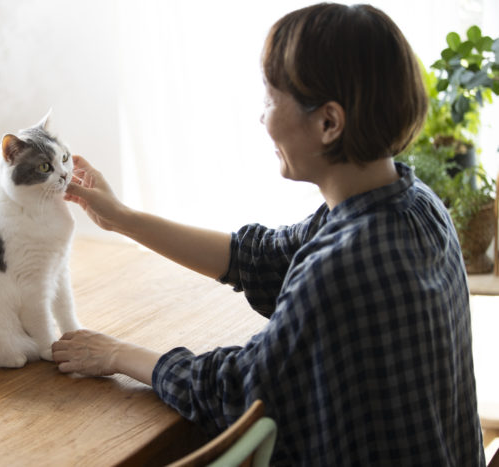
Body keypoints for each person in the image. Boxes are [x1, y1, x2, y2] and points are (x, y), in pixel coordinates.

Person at [51, 3, 485, 465]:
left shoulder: (339, 267)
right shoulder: (414, 203)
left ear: (328, 123)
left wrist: (116, 353)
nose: (262, 119)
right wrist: (122, 218)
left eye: (270, 100)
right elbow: (260, 257)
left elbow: (236, 392)